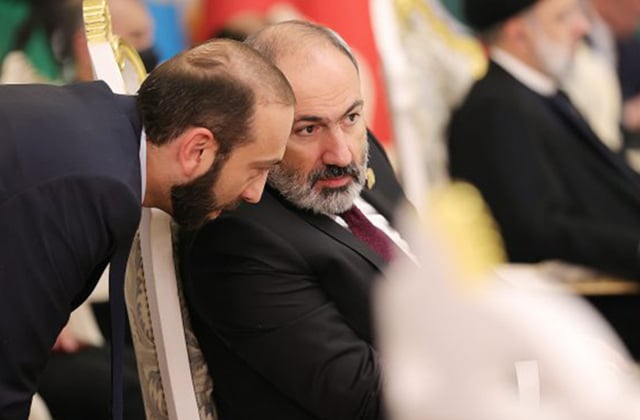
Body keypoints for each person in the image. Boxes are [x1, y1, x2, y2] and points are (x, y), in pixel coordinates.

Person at [0, 38, 295, 419]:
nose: (255, 193)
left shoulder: (103, 125)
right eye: (257, 169)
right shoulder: (93, 189)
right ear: (197, 150)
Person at [179, 20, 414, 420]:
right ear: (256, 129)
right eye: (308, 129)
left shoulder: (359, 148)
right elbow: (364, 397)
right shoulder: (238, 240)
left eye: (351, 117)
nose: (341, 153)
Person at [448, 0, 640, 279]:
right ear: (519, 34)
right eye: (563, 17)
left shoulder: (540, 95)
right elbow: (537, 232)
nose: (582, 27)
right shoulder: (495, 108)